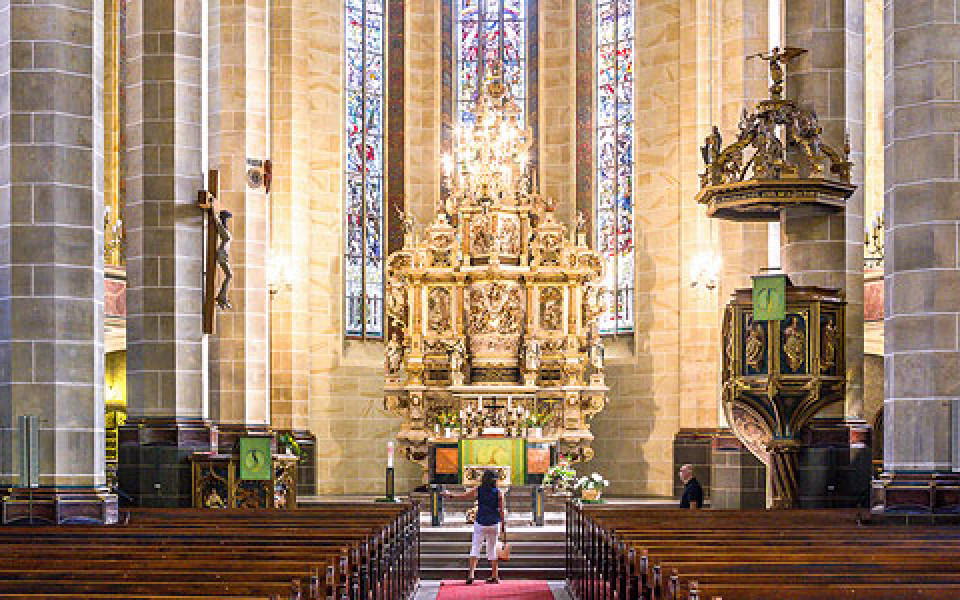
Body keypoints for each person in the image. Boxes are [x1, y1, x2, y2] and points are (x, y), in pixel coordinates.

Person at [443, 469, 506, 584]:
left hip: (481, 522)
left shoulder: (479, 490)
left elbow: (463, 496)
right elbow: (501, 511)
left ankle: (471, 575)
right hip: (494, 523)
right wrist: (503, 527)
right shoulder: (499, 492)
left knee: (475, 547)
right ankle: (495, 576)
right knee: (492, 549)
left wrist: (450, 495)